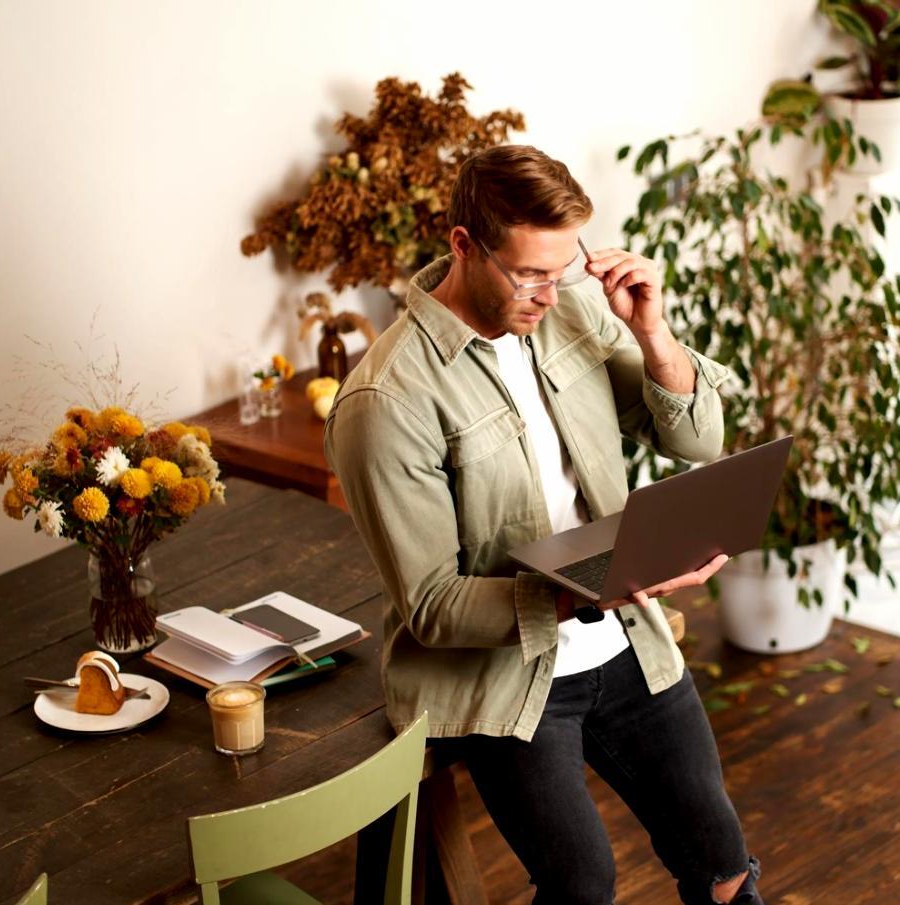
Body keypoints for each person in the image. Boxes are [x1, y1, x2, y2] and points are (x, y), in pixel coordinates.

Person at [324, 144, 763, 905]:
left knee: (723, 864)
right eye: (528, 274)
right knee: (582, 884)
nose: (547, 295)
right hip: (500, 674)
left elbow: (697, 439)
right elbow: (432, 605)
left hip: (622, 638)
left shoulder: (575, 311)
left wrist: (653, 332)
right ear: (463, 244)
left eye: (560, 272)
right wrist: (598, 584)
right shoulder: (386, 401)